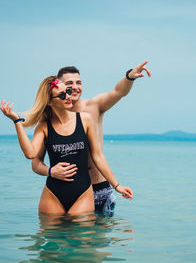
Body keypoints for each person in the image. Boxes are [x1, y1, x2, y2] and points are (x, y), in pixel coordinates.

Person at [0, 77, 133, 215]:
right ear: (50, 101)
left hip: (83, 193)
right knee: (52, 236)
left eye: (68, 91)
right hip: (53, 195)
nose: (68, 96)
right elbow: (30, 154)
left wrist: (117, 185)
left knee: (80, 235)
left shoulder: (85, 119)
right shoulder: (44, 127)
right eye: (62, 94)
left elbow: (97, 156)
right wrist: (17, 121)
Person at [31, 61, 151, 215]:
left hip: (99, 188)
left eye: (78, 82)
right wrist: (50, 171)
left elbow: (117, 92)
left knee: (98, 239)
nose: (75, 87)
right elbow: (35, 161)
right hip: (65, 190)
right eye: (69, 83)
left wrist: (129, 77)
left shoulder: (92, 108)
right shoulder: (48, 123)